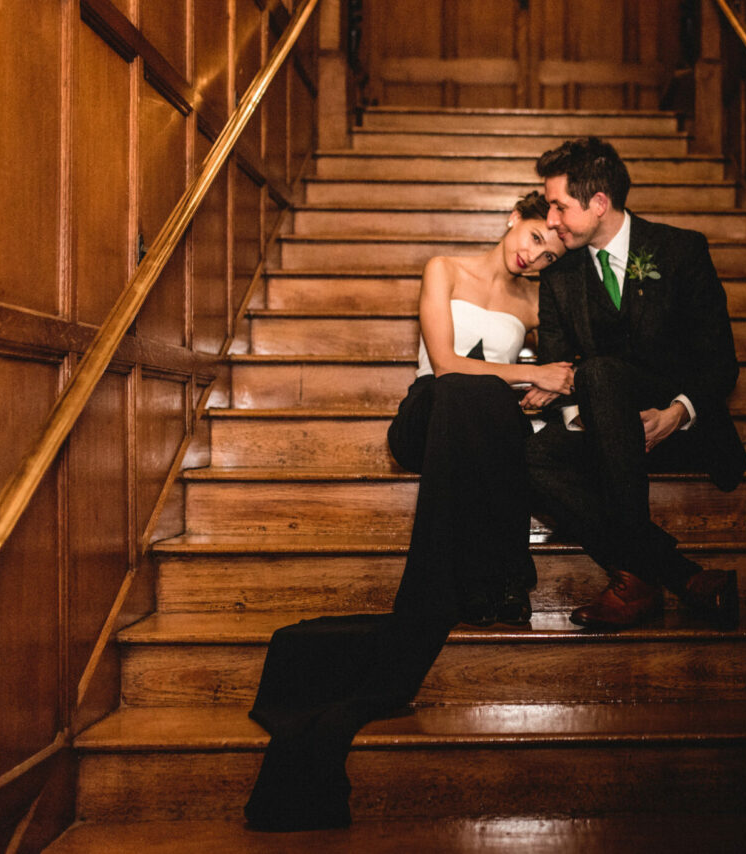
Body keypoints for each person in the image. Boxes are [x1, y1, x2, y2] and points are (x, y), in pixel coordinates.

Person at [243, 192, 569, 831]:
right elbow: (444, 363)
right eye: (533, 237)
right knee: (460, 390)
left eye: (549, 254)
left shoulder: (534, 307)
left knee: (488, 408)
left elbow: (537, 383)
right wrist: (516, 381)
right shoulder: (444, 268)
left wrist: (536, 387)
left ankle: (461, 586)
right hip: (426, 415)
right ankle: (497, 577)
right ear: (513, 218)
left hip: (477, 430)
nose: (533, 256)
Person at [527, 136, 746, 631]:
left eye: (559, 205)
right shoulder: (560, 276)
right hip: (604, 428)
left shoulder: (680, 251)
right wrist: (590, 419)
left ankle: (638, 583)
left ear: (599, 203)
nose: (550, 221)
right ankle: (675, 576)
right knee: (531, 459)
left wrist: (677, 413)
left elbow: (721, 363)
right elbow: (558, 366)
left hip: (676, 431)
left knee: (601, 371)